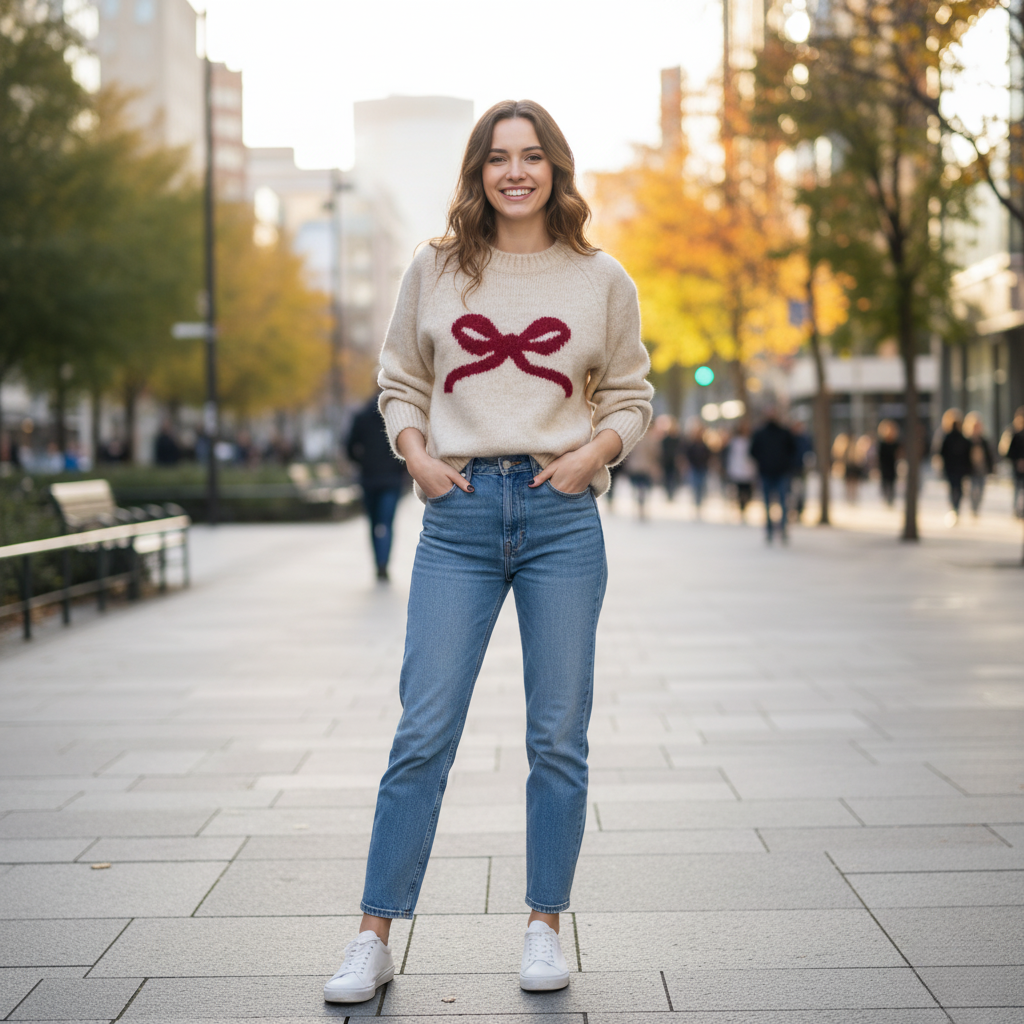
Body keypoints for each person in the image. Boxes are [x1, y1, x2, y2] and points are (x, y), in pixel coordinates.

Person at [322, 100, 653, 1005]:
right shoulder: (434, 270)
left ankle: (545, 923)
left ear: (556, 169)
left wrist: (593, 453)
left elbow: (631, 394)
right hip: (459, 516)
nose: (516, 172)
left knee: (558, 736)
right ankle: (373, 934)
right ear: (477, 171)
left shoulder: (601, 277)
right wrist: (417, 455)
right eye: (499, 157)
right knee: (423, 731)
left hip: (559, 517)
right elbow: (401, 379)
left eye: (532, 156)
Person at [346, 390, 409, 581]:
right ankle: (383, 563)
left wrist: (363, 462)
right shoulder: (396, 416)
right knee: (387, 523)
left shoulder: (361, 415)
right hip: (391, 478)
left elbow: (349, 448)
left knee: (374, 523)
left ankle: (378, 562)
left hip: (369, 478)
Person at [749, 407, 796, 543]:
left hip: (780, 472)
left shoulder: (784, 432)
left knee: (782, 502)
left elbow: (792, 450)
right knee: (768, 503)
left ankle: (783, 529)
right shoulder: (760, 433)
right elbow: (753, 451)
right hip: (766, 472)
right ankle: (770, 530)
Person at [939, 408, 972, 522]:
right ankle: (955, 507)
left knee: (953, 488)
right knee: (958, 488)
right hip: (958, 468)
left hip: (952, 468)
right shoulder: (960, 437)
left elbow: (941, 452)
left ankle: (954, 507)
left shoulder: (947, 437)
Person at [623, 424, 662, 520]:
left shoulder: (634, 438)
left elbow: (627, 452)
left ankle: (638, 505)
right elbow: (656, 453)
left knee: (636, 487)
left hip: (635, 467)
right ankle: (642, 506)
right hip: (646, 467)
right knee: (644, 488)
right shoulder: (652, 439)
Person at [962, 412, 993, 517]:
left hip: (982, 469)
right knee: (971, 489)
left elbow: (989, 455)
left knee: (981, 489)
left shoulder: (984, 440)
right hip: (970, 469)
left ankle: (976, 508)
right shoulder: (967, 440)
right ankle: (973, 507)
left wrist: (992, 468)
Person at [725, 421, 756, 520]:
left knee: (748, 491)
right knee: (739, 490)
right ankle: (741, 508)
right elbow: (731, 456)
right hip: (737, 470)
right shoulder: (734, 441)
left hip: (748, 470)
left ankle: (745, 506)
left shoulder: (751, 440)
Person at [684, 419, 711, 518]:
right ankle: (696, 504)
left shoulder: (705, 445)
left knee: (701, 487)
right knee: (695, 487)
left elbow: (709, 455)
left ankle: (699, 505)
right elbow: (687, 455)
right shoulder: (691, 445)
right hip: (694, 468)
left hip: (702, 468)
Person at [1001, 406, 1024, 519]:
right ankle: (1016, 509)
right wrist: (1017, 461)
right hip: (1016, 467)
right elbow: (1007, 451)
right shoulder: (1013, 433)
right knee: (1016, 488)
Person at [657, 415, 682, 500]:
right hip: (667, 462)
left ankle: (672, 492)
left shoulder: (678, 439)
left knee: (674, 478)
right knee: (667, 478)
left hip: (675, 462)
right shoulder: (665, 439)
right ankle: (669, 493)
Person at [876, 420, 899, 507]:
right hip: (884, 467)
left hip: (892, 467)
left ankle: (891, 499)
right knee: (885, 483)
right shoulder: (882, 444)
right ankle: (886, 498)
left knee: (892, 483)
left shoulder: (895, 443)